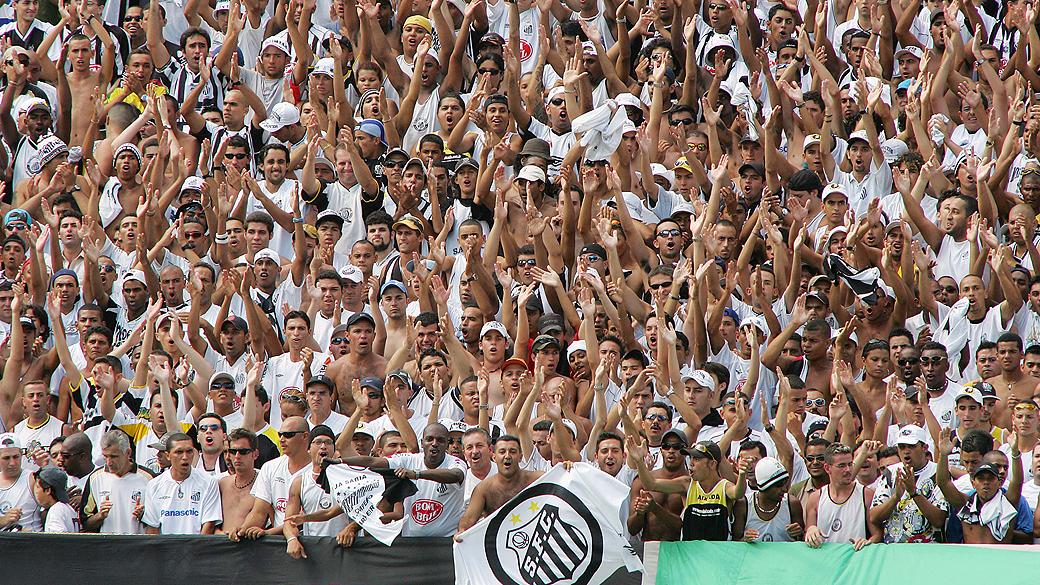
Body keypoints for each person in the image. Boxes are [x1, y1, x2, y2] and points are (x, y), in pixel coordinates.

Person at [340, 422, 466, 537]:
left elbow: (455, 475)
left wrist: (417, 474)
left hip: (444, 542)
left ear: (447, 444)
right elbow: (372, 461)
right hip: (411, 543)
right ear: (422, 443)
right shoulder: (409, 460)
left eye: (440, 440)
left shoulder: (455, 463)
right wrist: (339, 462)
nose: (434, 443)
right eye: (429, 439)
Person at [631, 437, 748, 541]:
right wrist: (639, 461)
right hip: (689, 557)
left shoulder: (724, 487)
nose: (691, 463)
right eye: (691, 458)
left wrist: (742, 475)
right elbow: (651, 485)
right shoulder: (686, 484)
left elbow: (738, 493)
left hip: (717, 557)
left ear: (712, 464)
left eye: (697, 459)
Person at [142, 432, 222, 535]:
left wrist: (197, 550)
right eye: (179, 452)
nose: (185, 457)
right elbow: (153, 527)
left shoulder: (209, 482)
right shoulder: (154, 485)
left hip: (197, 548)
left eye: (189, 451)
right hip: (166, 548)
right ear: (168, 455)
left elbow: (209, 524)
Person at [804, 443, 879, 551]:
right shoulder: (816, 498)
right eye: (841, 465)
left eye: (850, 464)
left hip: (855, 559)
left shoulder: (866, 495)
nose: (848, 470)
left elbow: (877, 534)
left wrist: (867, 542)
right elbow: (808, 535)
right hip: (825, 561)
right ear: (827, 468)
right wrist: (811, 530)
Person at [80, 429, 151, 534]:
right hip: (109, 547)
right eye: (105, 456)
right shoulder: (95, 478)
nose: (109, 462)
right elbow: (85, 523)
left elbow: (158, 520)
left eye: (113, 456)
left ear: (128, 453)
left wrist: (143, 515)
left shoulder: (148, 478)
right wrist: (100, 515)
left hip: (139, 546)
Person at [32, 465, 80, 532]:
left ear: (48, 490)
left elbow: (58, 539)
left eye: (37, 487)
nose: (35, 491)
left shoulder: (56, 510)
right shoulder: (68, 508)